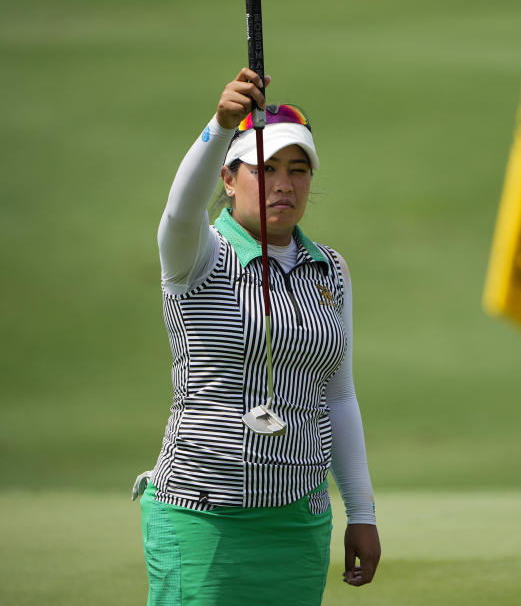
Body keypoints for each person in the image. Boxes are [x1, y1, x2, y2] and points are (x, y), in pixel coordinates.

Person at [133, 68, 380, 605]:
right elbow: (178, 212)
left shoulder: (329, 269)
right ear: (228, 177)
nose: (284, 184)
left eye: (298, 169)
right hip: (204, 519)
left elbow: (337, 395)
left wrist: (361, 512)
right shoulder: (198, 253)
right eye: (264, 168)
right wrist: (220, 125)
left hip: (298, 520)